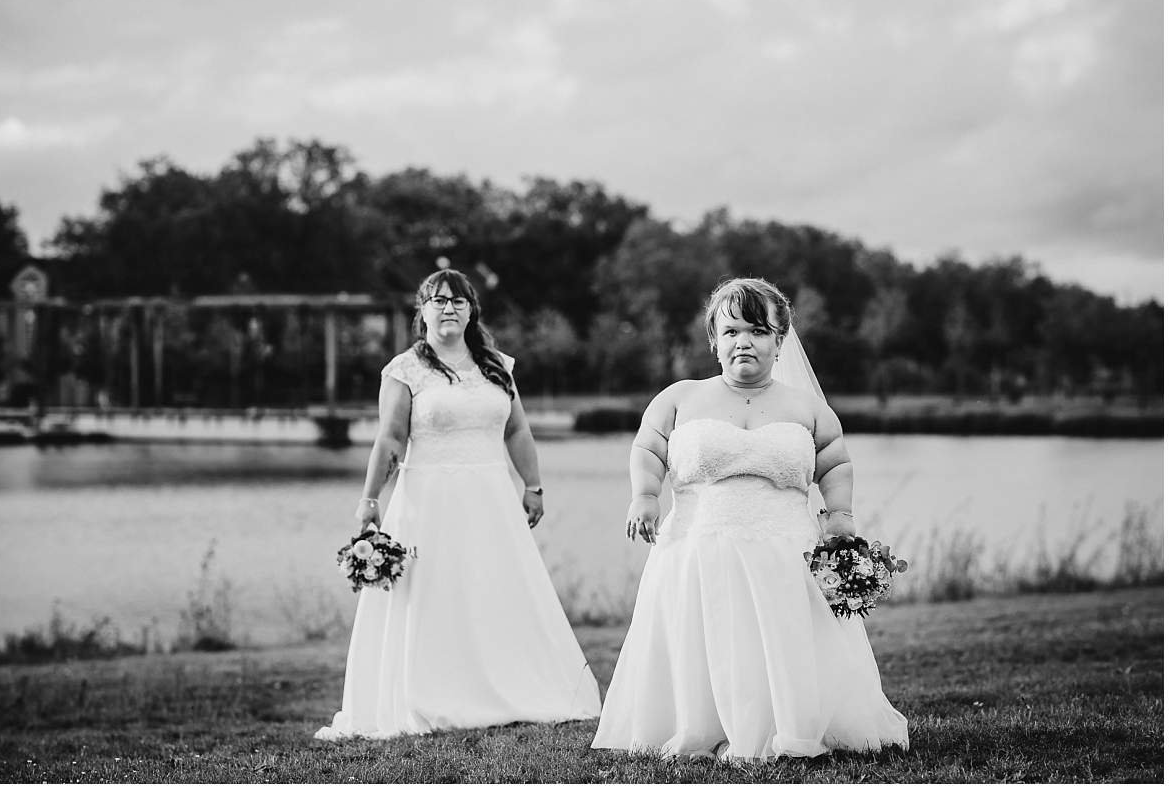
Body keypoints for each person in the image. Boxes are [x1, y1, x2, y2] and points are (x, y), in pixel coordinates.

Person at [591, 277, 908, 760]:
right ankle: (702, 726)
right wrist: (644, 496)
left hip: (785, 549)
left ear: (780, 342)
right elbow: (648, 448)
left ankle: (788, 725)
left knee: (781, 642)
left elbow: (836, 462)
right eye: (732, 330)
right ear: (714, 340)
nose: (744, 341)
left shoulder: (807, 407)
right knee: (706, 639)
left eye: (759, 331)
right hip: (697, 546)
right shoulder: (679, 397)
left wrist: (840, 514)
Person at [315, 269, 600, 740]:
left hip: (490, 500)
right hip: (427, 501)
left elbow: (517, 430)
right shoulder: (404, 370)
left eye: (459, 301)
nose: (449, 308)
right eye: (439, 300)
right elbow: (389, 438)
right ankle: (432, 692)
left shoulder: (498, 368)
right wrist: (369, 499)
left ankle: (506, 685)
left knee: (493, 588)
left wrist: (533, 485)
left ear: (472, 311)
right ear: (422, 311)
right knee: (434, 593)